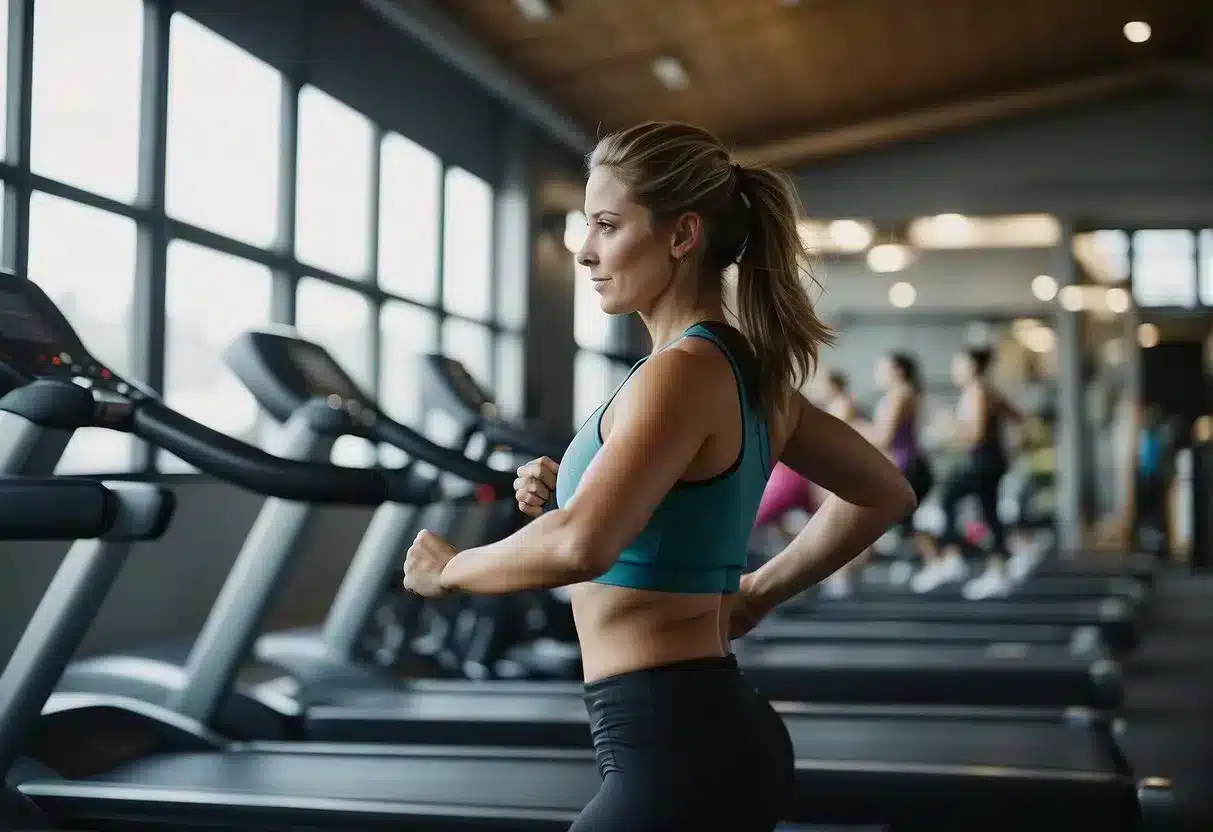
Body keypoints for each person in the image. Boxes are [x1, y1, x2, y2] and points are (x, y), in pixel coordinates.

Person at [402, 120, 916, 831]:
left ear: (681, 237)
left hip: (674, 747)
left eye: (607, 225)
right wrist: (752, 595)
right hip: (698, 730)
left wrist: (451, 568)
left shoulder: (681, 372)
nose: (584, 251)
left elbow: (581, 548)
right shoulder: (734, 370)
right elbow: (882, 492)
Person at [911, 346, 1021, 600]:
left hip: (984, 461)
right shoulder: (988, 389)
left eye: (958, 364)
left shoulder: (978, 391)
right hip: (992, 460)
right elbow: (1016, 416)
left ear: (972, 365)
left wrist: (949, 428)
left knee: (947, 496)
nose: (955, 370)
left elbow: (976, 434)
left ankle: (953, 557)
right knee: (989, 515)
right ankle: (997, 572)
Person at [868, 352, 934, 555]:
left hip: (907, 466)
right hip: (901, 466)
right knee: (903, 520)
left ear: (898, 371)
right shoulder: (895, 395)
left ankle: (941, 558)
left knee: (892, 517)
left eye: (883, 368)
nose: (877, 373)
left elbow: (884, 437)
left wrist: (848, 425)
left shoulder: (901, 393)